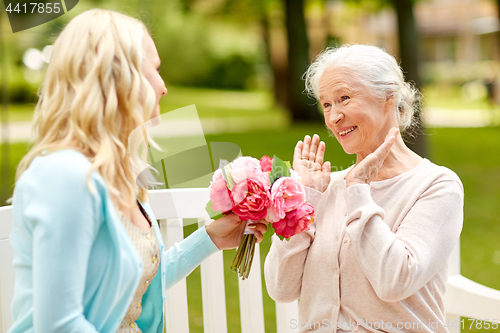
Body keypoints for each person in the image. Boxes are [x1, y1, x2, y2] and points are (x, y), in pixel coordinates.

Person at [8, 9, 267, 333]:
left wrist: (210, 239)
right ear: (118, 77)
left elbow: (133, 285)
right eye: (155, 69)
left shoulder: (114, 174)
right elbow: (60, 325)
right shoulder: (62, 176)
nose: (163, 87)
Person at [264, 45, 464, 333]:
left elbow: (395, 280)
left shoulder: (436, 186)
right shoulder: (324, 189)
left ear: (388, 97)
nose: (333, 118)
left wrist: (358, 191)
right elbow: (281, 289)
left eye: (344, 98)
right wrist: (303, 203)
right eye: (326, 104)